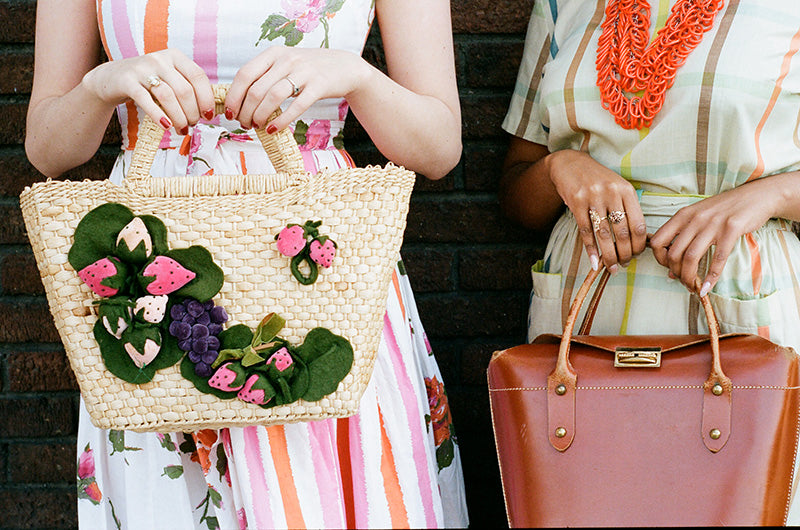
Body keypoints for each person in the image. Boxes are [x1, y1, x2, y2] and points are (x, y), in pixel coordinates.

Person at [25, 0, 468, 528]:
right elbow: (47, 150)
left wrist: (354, 75)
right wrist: (104, 84)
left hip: (314, 258)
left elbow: (439, 148)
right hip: (153, 254)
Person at [500, 0, 800, 523]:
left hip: (740, 300)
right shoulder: (560, 6)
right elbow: (515, 195)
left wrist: (768, 197)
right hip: (586, 304)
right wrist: (560, 168)